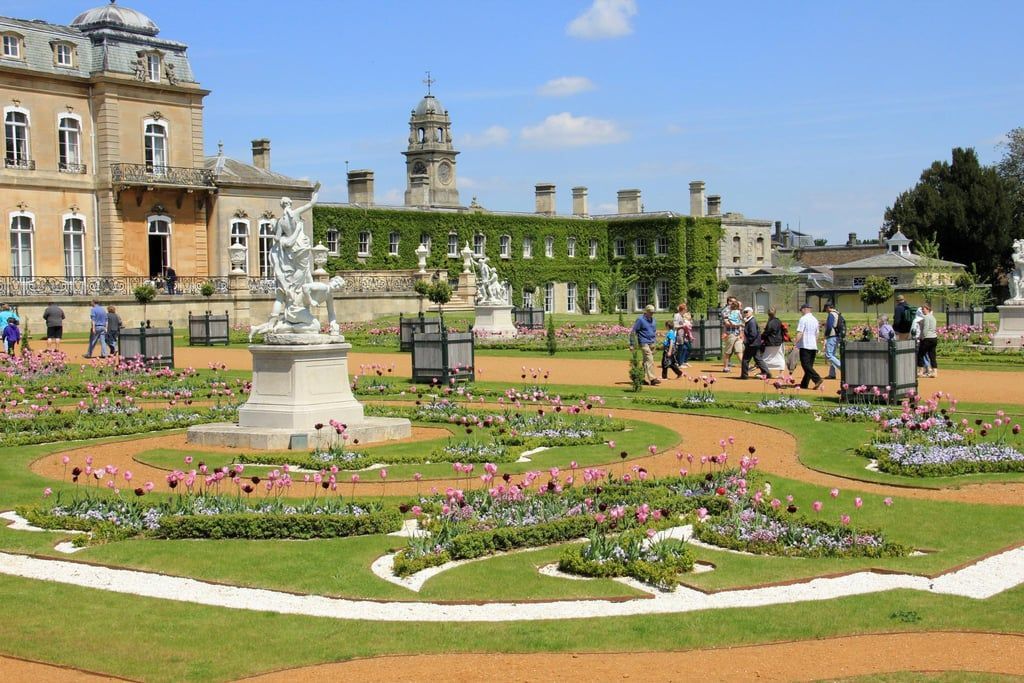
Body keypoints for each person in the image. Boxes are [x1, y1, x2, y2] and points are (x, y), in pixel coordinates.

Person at [628, 304, 660, 386]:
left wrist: (655, 343)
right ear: (646, 312)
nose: (652, 314)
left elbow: (654, 332)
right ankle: (652, 379)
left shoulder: (653, 320)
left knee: (646, 362)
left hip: (651, 343)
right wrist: (632, 344)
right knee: (650, 359)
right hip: (643, 342)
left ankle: (641, 378)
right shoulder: (640, 320)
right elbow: (633, 332)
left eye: (653, 312)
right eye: (650, 312)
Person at [795, 302, 823, 390]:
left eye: (801, 310)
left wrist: (795, 343)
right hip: (813, 345)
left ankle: (817, 378)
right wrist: (815, 342)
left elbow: (800, 332)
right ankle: (804, 384)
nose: (801, 312)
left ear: (804, 309)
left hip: (805, 345)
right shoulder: (815, 319)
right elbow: (817, 334)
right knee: (809, 365)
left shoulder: (803, 319)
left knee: (805, 365)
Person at [739, 307, 772, 379]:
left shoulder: (751, 321)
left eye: (747, 312)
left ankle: (744, 376)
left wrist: (746, 342)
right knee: (758, 358)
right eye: (744, 312)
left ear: (751, 312)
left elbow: (753, 334)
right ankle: (767, 373)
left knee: (745, 360)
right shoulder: (749, 321)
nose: (745, 313)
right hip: (755, 343)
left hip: (752, 344)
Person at [760, 306, 786, 372]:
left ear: (768, 314)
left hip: (770, 342)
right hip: (779, 342)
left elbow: (767, 332)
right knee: (780, 357)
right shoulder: (778, 321)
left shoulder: (771, 322)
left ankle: (764, 372)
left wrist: (761, 337)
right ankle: (781, 374)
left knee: (765, 357)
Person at [917, 304, 938, 378]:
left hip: (927, 338)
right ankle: (934, 372)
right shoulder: (933, 317)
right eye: (922, 309)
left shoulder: (926, 317)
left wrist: (922, 337)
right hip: (934, 338)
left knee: (920, 354)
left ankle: (920, 371)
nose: (923, 310)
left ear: (928, 309)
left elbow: (926, 328)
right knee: (932, 355)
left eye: (924, 309)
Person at [822, 302, 842, 380]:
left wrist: (826, 335)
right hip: (836, 336)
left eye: (826, 309)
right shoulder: (838, 313)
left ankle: (843, 368)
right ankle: (832, 374)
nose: (826, 311)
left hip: (832, 336)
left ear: (828, 307)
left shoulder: (831, 314)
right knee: (832, 355)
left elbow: (830, 326)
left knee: (829, 355)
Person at [722, 299, 743, 372]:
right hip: (730, 334)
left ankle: (745, 366)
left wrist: (740, 331)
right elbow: (726, 322)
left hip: (737, 334)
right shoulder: (727, 312)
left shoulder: (738, 313)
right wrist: (736, 324)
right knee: (728, 351)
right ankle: (725, 367)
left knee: (739, 350)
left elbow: (741, 322)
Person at [673, 302, 693, 368]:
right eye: (685, 309)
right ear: (683, 309)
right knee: (680, 349)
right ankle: (679, 364)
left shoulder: (682, 316)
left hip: (683, 335)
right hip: (679, 335)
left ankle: (682, 362)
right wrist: (683, 325)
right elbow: (675, 326)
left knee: (685, 348)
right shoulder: (677, 315)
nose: (686, 311)